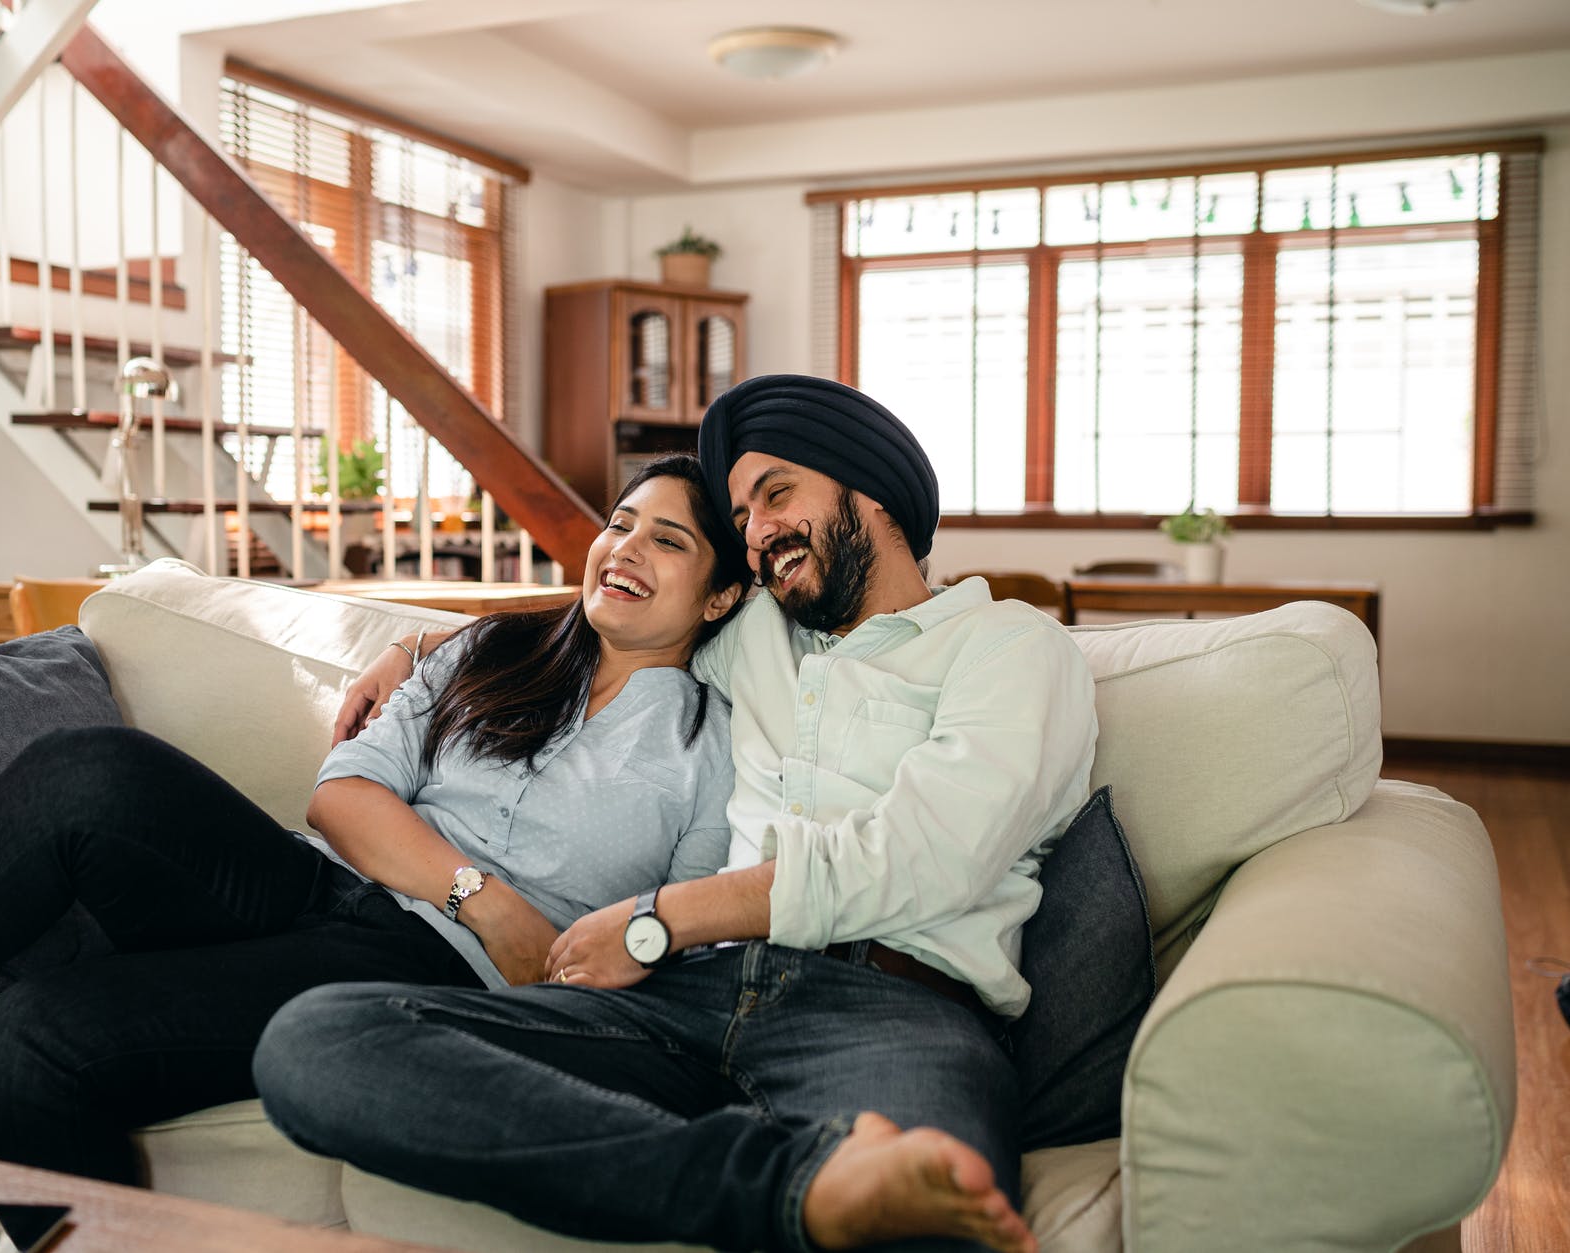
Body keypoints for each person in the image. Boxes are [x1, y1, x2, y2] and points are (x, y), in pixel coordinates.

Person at [0, 454, 749, 1191]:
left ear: (715, 600)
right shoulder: (486, 651)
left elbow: (688, 936)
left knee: (33, 1039)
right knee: (85, 769)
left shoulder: (712, 746)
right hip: (319, 884)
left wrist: (556, 949)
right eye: (618, 521)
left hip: (422, 973)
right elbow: (339, 796)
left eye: (667, 541)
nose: (624, 548)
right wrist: (483, 892)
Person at [252, 375, 1098, 1253]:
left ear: (871, 489)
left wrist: (667, 918)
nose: (759, 533)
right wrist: (418, 645)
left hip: (890, 1011)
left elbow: (930, 853)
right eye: (743, 519)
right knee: (321, 1038)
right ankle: (785, 1187)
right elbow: (610, 611)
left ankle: (803, 1186)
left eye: (777, 495)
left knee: (935, 1220)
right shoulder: (753, 635)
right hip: (687, 1003)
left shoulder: (1013, 648)